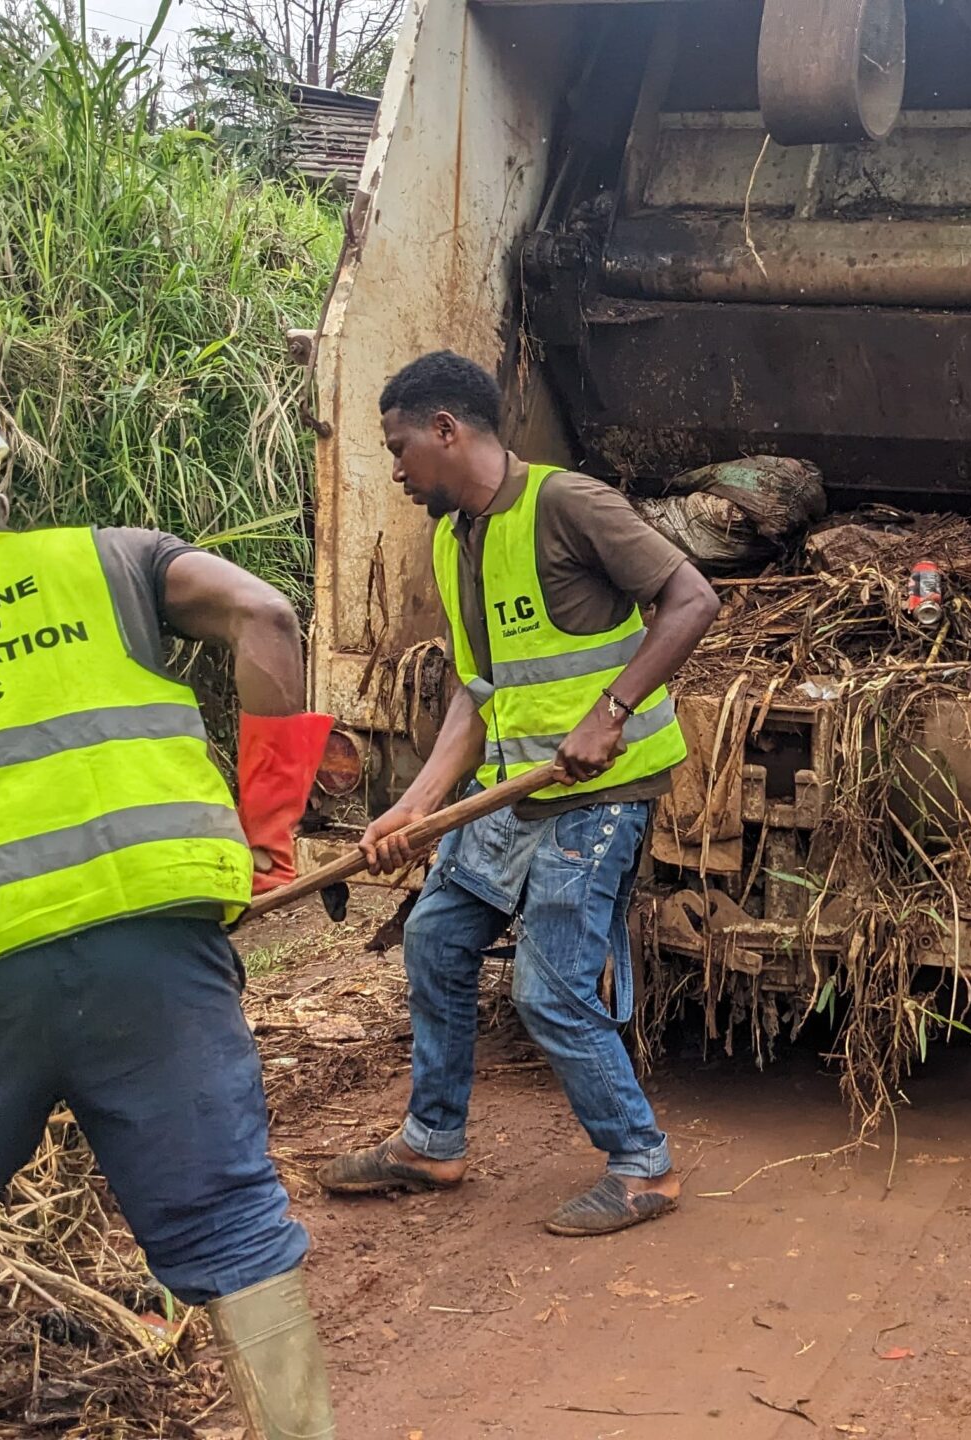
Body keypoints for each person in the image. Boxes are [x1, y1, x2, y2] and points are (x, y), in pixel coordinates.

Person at [0, 392, 338, 1439]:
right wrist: (265, 828)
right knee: (229, 1219)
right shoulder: (117, 559)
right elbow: (267, 615)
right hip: (153, 950)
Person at [322, 351, 720, 1237]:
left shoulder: (569, 504)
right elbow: (479, 691)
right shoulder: (452, 533)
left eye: (398, 447)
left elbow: (692, 598)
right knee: (432, 938)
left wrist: (611, 711)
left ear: (446, 430)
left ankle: (642, 1167)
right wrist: (416, 806)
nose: (394, 468)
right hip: (513, 795)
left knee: (549, 987)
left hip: (598, 794)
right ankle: (432, 1143)